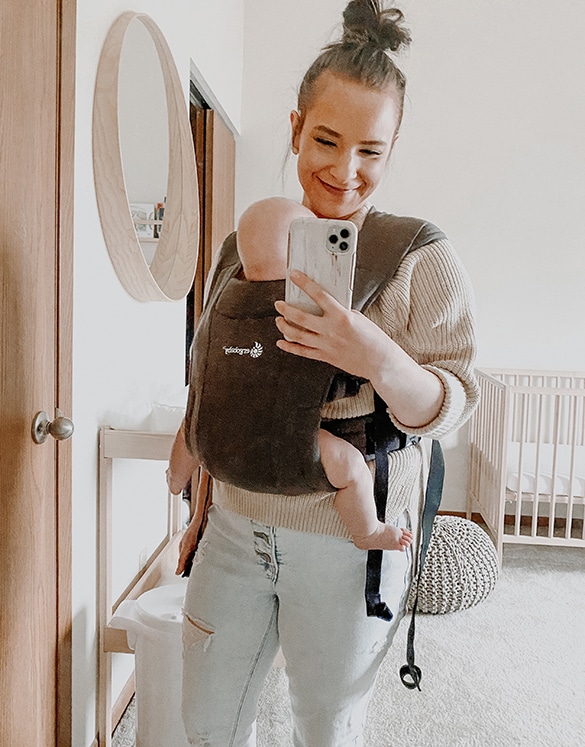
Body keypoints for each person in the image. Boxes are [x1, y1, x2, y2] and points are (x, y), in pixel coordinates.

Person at [167, 1, 479, 744]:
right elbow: (217, 382)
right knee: (205, 724)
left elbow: (454, 402)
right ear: (295, 127)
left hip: (347, 544)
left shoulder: (414, 256)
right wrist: (199, 510)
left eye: (370, 150)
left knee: (325, 729)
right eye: (326, 140)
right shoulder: (242, 248)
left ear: (392, 148)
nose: (345, 171)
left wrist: (372, 355)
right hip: (236, 528)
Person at [170, 195, 414, 553]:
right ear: (301, 250)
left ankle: (174, 478)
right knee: (353, 470)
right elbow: (343, 379)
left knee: (191, 427)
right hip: (289, 447)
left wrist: (186, 477)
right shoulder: (309, 317)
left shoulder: (225, 307)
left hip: (219, 445)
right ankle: (367, 531)